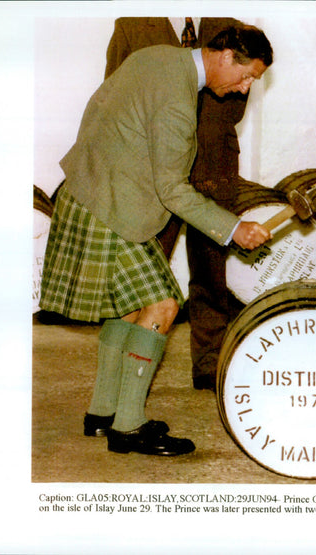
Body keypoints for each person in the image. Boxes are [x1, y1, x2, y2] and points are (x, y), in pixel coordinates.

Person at [39, 24, 274, 456]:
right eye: (247, 77)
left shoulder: (157, 57)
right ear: (225, 56)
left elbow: (100, 109)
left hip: (92, 192)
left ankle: (102, 413)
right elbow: (174, 191)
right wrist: (233, 228)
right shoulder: (178, 103)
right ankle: (128, 428)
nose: (245, 89)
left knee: (130, 307)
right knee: (164, 306)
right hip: (112, 206)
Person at [105, 18, 254, 392]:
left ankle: (209, 363)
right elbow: (113, 93)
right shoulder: (131, 26)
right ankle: (126, 368)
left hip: (214, 164)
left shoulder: (230, 27)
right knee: (144, 278)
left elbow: (236, 102)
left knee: (211, 272)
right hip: (154, 170)